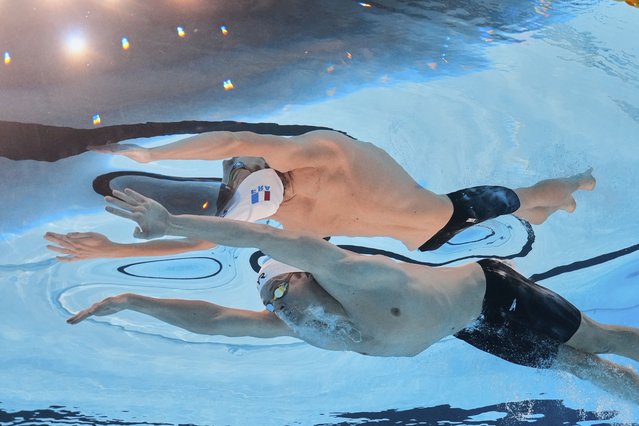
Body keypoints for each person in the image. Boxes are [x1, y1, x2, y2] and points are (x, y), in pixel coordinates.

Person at [68, 188, 639, 403]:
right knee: (584, 370)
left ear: (309, 275)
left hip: (492, 293)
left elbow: (259, 234)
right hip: (468, 327)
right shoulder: (305, 325)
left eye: (284, 288)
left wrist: (172, 224)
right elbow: (216, 319)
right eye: (270, 298)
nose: (279, 307)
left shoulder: (348, 273)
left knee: (600, 339)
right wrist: (134, 302)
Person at [45, 130, 595, 261]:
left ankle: (578, 181)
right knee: (536, 215)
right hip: (427, 245)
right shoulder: (294, 222)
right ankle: (555, 207)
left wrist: (156, 156)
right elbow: (208, 241)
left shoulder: (330, 154)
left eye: (243, 176)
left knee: (527, 198)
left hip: (456, 209)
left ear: (259, 166)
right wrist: (115, 251)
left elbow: (236, 139)